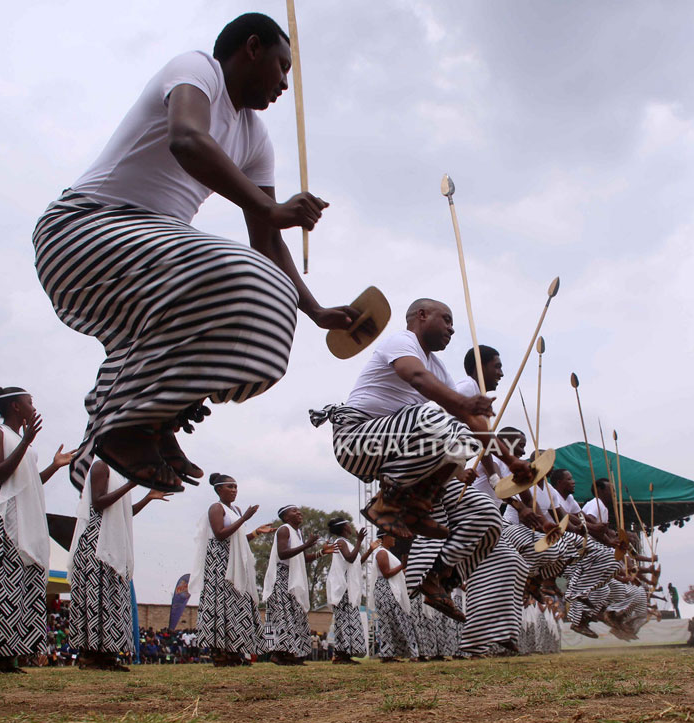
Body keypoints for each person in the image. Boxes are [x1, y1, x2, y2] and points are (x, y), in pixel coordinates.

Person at [33, 13, 364, 493]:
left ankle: (152, 416)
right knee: (248, 277)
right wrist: (269, 207)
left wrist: (313, 311)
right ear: (252, 47)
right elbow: (187, 139)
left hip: (144, 258)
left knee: (272, 314)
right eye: (281, 66)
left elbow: (267, 241)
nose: (284, 84)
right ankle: (129, 421)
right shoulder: (198, 69)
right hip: (82, 230)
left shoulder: (255, 138)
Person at [310, 298, 528, 620]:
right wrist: (463, 406)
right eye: (447, 319)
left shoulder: (438, 368)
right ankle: (392, 502)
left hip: (394, 454)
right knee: (436, 419)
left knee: (484, 514)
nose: (452, 329)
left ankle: (436, 576)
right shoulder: (401, 342)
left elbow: (472, 423)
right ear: (422, 316)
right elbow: (416, 377)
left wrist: (512, 461)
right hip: (357, 441)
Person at [0, 387, 74, 676]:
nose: (33, 406)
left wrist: (54, 466)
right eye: (29, 402)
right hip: (0, 518)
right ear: (15, 406)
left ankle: (5, 657)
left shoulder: (25, 445)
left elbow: (29, 482)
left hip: (24, 515)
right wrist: (25, 441)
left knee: (16, 587)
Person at [68, 460, 168, 671]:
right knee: (96, 599)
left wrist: (148, 497)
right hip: (96, 543)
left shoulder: (118, 474)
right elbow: (98, 503)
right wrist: (131, 485)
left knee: (111, 600)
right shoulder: (101, 466)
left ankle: (106, 656)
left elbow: (124, 512)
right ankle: (90, 656)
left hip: (113, 543)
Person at [192, 474, 270, 667]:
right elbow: (220, 534)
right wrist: (244, 518)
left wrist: (256, 532)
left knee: (237, 604)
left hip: (235, 560)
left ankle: (235, 651)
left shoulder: (235, 510)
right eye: (230, 486)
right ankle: (220, 653)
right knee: (221, 603)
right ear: (219, 489)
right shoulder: (216, 508)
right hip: (219, 561)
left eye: (236, 487)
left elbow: (238, 539)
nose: (234, 490)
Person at [263, 505, 317, 665]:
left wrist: (321, 552)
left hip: (293, 576)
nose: (299, 512)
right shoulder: (284, 529)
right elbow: (282, 553)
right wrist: (306, 545)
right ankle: (279, 653)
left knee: (295, 614)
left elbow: (302, 558)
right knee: (283, 614)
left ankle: (292, 653)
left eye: (298, 510)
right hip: (282, 576)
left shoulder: (297, 533)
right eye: (294, 511)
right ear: (286, 517)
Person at [365, 535, 416, 662]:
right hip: (385, 590)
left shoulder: (387, 553)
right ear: (384, 537)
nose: (394, 539)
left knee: (395, 622)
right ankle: (387, 655)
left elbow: (394, 573)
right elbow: (387, 573)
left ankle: (392, 653)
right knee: (388, 623)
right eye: (391, 536)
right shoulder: (382, 553)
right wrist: (402, 565)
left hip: (390, 590)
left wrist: (404, 570)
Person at [325, 519, 367, 664]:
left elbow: (357, 562)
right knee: (346, 620)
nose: (350, 526)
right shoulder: (341, 542)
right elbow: (350, 558)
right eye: (348, 524)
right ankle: (342, 654)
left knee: (346, 620)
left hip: (348, 587)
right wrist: (359, 541)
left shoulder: (346, 543)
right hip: (343, 587)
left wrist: (370, 550)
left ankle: (342, 654)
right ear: (344, 528)